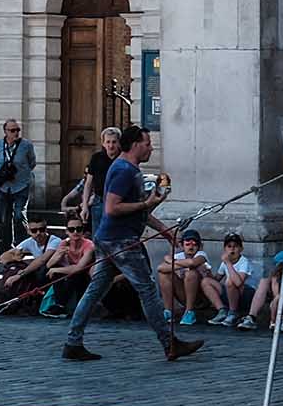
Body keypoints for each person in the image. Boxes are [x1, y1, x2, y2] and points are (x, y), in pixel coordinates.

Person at [61, 124, 204, 364]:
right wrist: (146, 203)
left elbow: (139, 210)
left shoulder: (129, 169)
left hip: (110, 239)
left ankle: (73, 342)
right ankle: (170, 344)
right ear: (136, 144)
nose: (151, 148)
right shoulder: (124, 170)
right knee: (147, 290)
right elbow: (112, 208)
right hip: (119, 241)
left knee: (96, 289)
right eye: (148, 143)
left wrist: (164, 230)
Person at [241, 229, 283, 332]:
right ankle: (252, 317)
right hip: (282, 290)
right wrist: (278, 294)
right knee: (264, 280)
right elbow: (275, 276)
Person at [0, 118, 36, 254]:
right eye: (12, 130)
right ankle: (7, 246)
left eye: (17, 130)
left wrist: (21, 171)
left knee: (19, 215)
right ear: (5, 131)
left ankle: (22, 245)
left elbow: (32, 162)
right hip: (3, 186)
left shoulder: (26, 145)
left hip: (21, 184)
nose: (16, 133)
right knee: (4, 217)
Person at [157, 228, 213, 325]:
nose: (191, 246)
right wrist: (174, 261)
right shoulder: (179, 256)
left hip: (201, 297)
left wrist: (170, 261)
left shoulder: (201, 255)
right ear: (182, 245)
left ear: (199, 246)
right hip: (183, 294)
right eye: (187, 243)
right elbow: (160, 268)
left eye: (194, 244)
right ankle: (168, 311)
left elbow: (192, 262)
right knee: (164, 274)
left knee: (190, 274)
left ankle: (189, 312)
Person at [203, 233, 255, 326]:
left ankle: (233, 312)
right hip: (230, 294)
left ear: (241, 249)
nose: (232, 249)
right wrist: (208, 273)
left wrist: (228, 263)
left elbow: (238, 283)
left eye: (235, 246)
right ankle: (222, 310)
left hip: (246, 295)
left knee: (230, 281)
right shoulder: (225, 263)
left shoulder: (244, 262)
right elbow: (217, 279)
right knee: (206, 282)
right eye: (229, 246)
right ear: (225, 249)